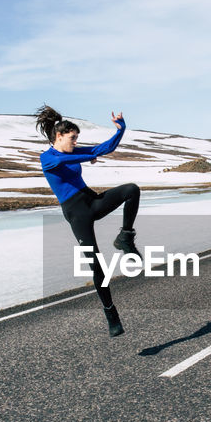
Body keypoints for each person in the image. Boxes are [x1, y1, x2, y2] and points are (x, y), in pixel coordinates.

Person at [36, 105, 141, 336]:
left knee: (132, 190)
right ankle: (111, 314)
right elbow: (83, 156)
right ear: (59, 136)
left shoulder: (72, 152)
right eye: (72, 138)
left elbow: (103, 148)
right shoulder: (47, 158)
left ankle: (125, 237)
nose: (75, 142)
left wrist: (120, 130)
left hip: (91, 201)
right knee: (97, 266)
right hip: (76, 213)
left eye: (77, 139)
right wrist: (92, 155)